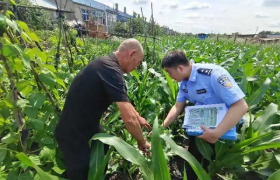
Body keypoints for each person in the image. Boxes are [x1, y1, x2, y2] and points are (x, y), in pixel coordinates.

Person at [54, 38, 151, 180]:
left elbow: (124, 102)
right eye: (138, 62)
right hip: (74, 134)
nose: (137, 67)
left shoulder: (107, 65)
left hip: (87, 127)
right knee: (82, 174)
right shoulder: (110, 69)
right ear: (131, 53)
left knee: (102, 151)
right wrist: (142, 142)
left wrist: (138, 116)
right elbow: (128, 119)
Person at [160, 50, 248, 179]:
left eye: (169, 72)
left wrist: (216, 133)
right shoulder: (183, 82)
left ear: (180, 68)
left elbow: (241, 106)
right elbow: (178, 106)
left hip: (224, 126)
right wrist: (162, 126)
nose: (170, 76)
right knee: (193, 158)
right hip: (203, 125)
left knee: (213, 164)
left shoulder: (213, 75)